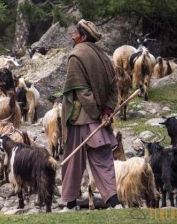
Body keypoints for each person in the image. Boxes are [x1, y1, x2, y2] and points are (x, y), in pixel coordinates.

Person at [60, 19, 122, 211]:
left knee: (73, 161)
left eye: (75, 33)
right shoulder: (104, 57)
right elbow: (114, 90)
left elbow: (81, 91)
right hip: (99, 120)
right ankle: (115, 203)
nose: (73, 35)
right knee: (103, 160)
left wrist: (96, 113)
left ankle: (69, 204)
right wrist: (107, 112)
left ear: (83, 36)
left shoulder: (76, 56)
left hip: (81, 119)